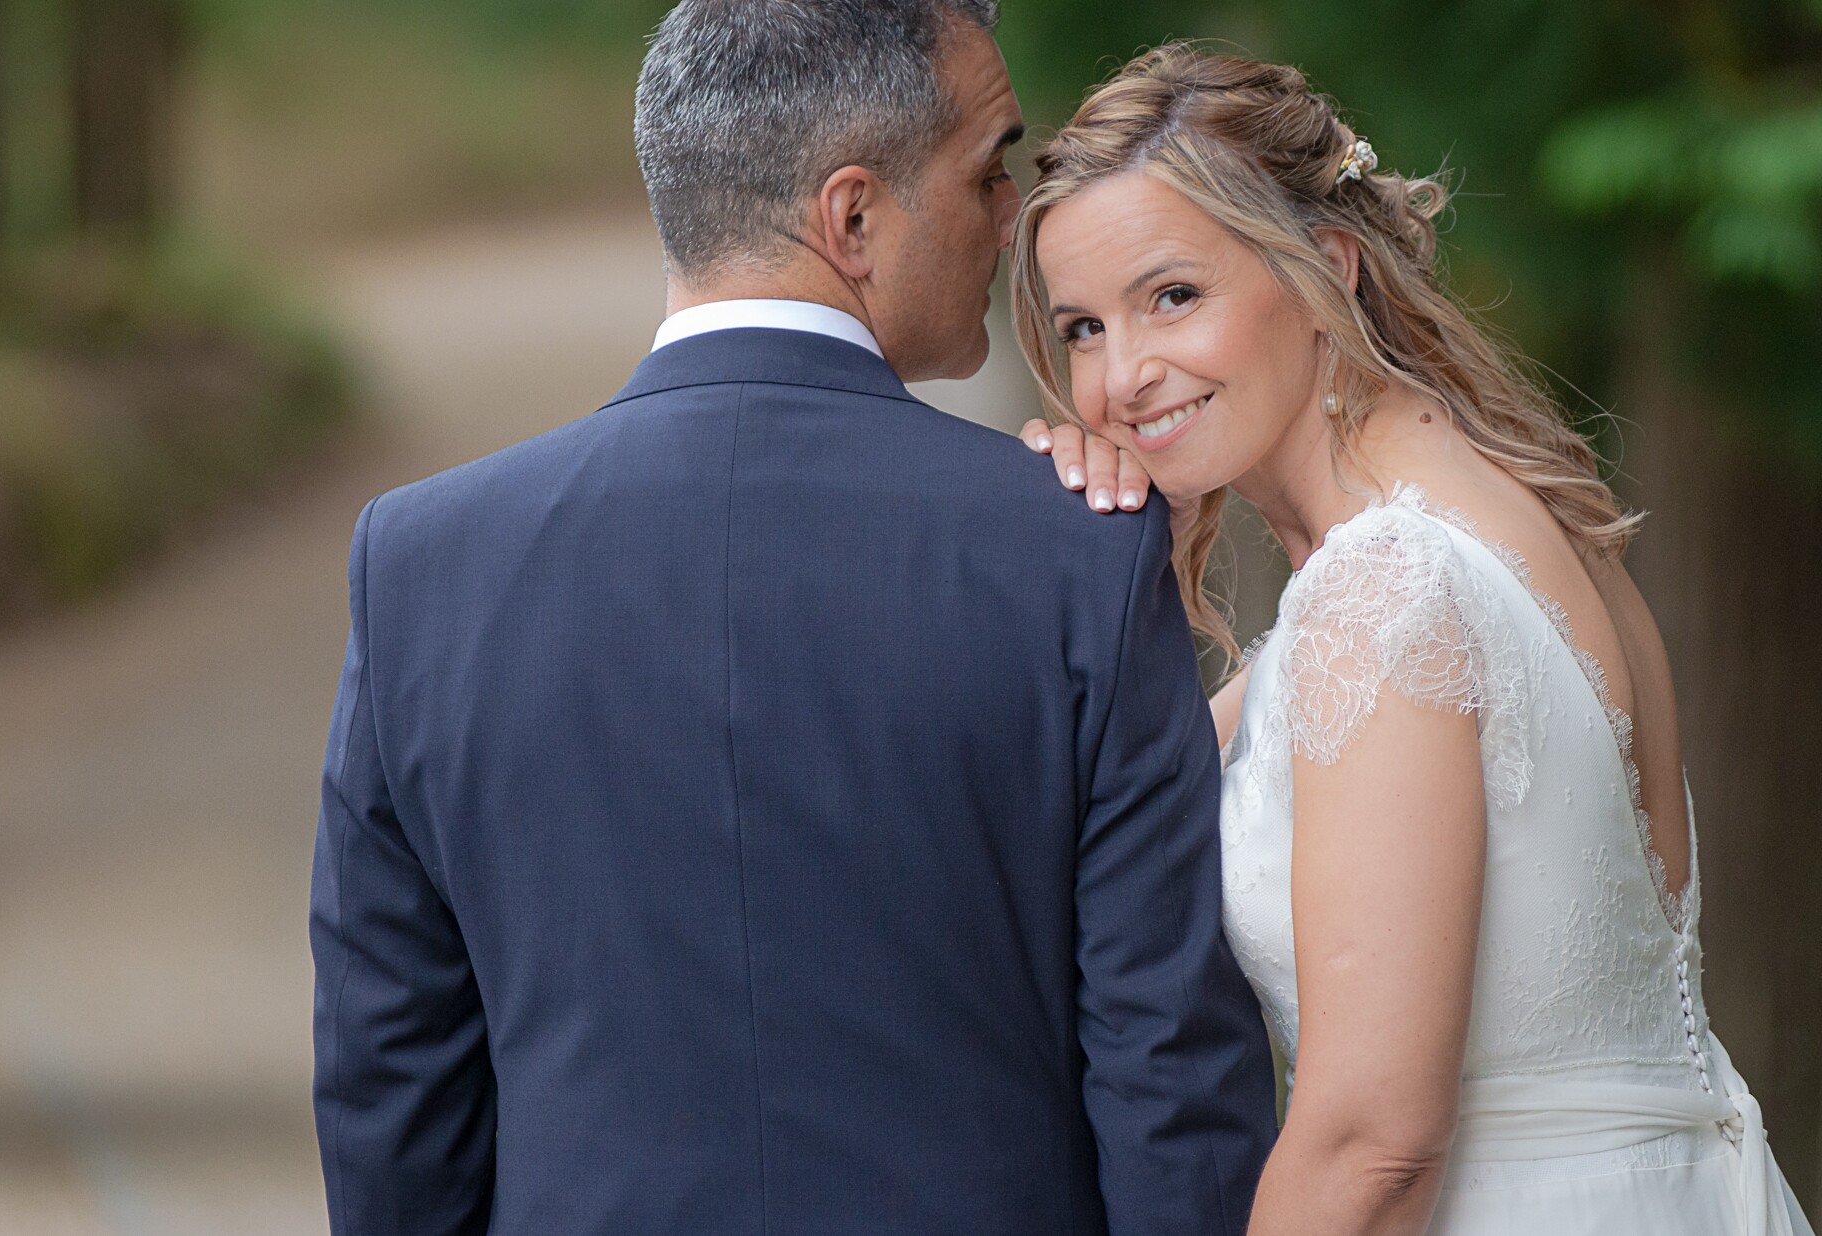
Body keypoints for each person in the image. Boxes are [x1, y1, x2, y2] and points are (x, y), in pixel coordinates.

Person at [308, 6, 1276, 1234]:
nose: (1010, 222)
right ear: (853, 216)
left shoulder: (422, 567)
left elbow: (390, 1090)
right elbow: (1171, 1085)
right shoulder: (1071, 550)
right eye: (987, 172)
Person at [1012, 43, 1816, 1236]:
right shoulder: (1508, 517)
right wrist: (1104, 557)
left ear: (1325, 268)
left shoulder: (1382, 591)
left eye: (1171, 296)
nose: (1119, 377)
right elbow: (1138, 796)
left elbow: (1372, 1146)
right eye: (1081, 328)